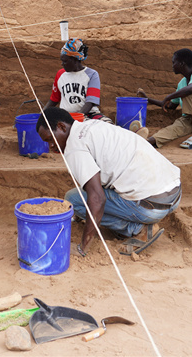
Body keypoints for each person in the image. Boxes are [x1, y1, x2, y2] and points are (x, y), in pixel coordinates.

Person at [36, 107, 181, 256]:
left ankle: (138, 229)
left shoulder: (74, 147)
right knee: (92, 190)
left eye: (50, 139)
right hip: (174, 192)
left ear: (61, 127)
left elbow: (98, 199)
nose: (50, 146)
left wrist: (82, 247)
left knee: (74, 200)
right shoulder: (92, 125)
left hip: (152, 206)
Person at [136, 48, 192, 147]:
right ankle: (148, 142)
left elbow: (191, 89)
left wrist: (169, 96)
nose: (172, 65)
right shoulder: (182, 83)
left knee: (188, 94)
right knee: (175, 127)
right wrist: (147, 99)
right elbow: (170, 105)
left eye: (174, 62)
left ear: (182, 64)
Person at [42, 38, 112, 123]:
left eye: (65, 61)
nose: (62, 64)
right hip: (66, 115)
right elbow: (54, 100)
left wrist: (77, 118)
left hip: (89, 114)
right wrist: (41, 115)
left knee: (107, 124)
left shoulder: (92, 74)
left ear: (75, 60)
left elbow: (90, 102)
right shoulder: (60, 74)